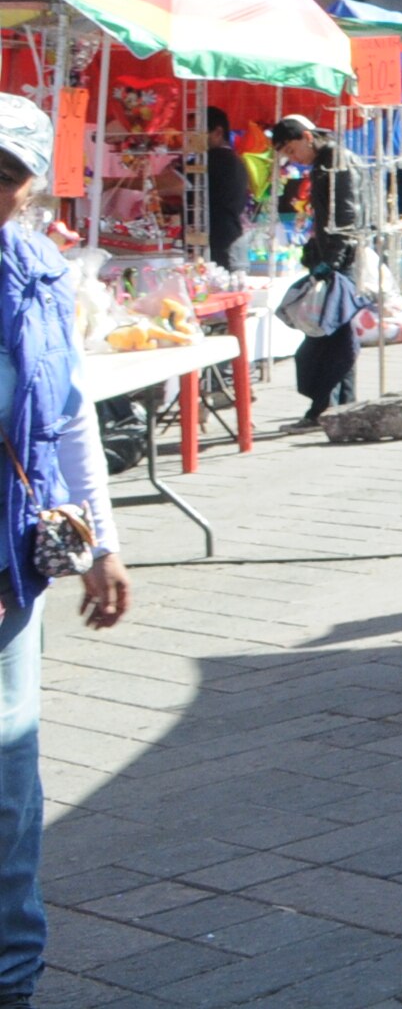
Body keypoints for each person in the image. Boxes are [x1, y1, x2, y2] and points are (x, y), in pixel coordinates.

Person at [0, 94, 133, 1007]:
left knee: (9, 782)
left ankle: (13, 975)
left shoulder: (41, 270)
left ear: (29, 184)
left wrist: (102, 544)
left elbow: (67, 420)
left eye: (5, 174)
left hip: (12, 565)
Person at [272, 117, 365, 425]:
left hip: (341, 262)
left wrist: (334, 261)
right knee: (330, 337)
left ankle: (327, 410)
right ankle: (335, 408)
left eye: (291, 149)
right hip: (331, 258)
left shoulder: (337, 161)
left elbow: (347, 214)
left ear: (307, 137)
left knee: (329, 337)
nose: (292, 158)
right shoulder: (324, 162)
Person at [201, 113, 251, 270]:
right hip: (234, 242)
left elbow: (177, 183)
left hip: (219, 246)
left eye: (197, 132)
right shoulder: (235, 160)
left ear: (217, 132)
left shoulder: (214, 159)